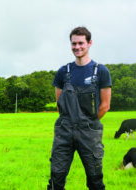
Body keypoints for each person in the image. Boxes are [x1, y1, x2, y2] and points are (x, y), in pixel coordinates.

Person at [47, 26, 112, 190]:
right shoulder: (63, 72)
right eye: (74, 43)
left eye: (81, 43)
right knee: (56, 178)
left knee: (95, 179)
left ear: (90, 43)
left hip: (89, 132)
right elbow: (59, 103)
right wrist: (69, 122)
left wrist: (88, 123)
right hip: (64, 131)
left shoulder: (101, 71)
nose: (77, 47)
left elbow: (105, 105)